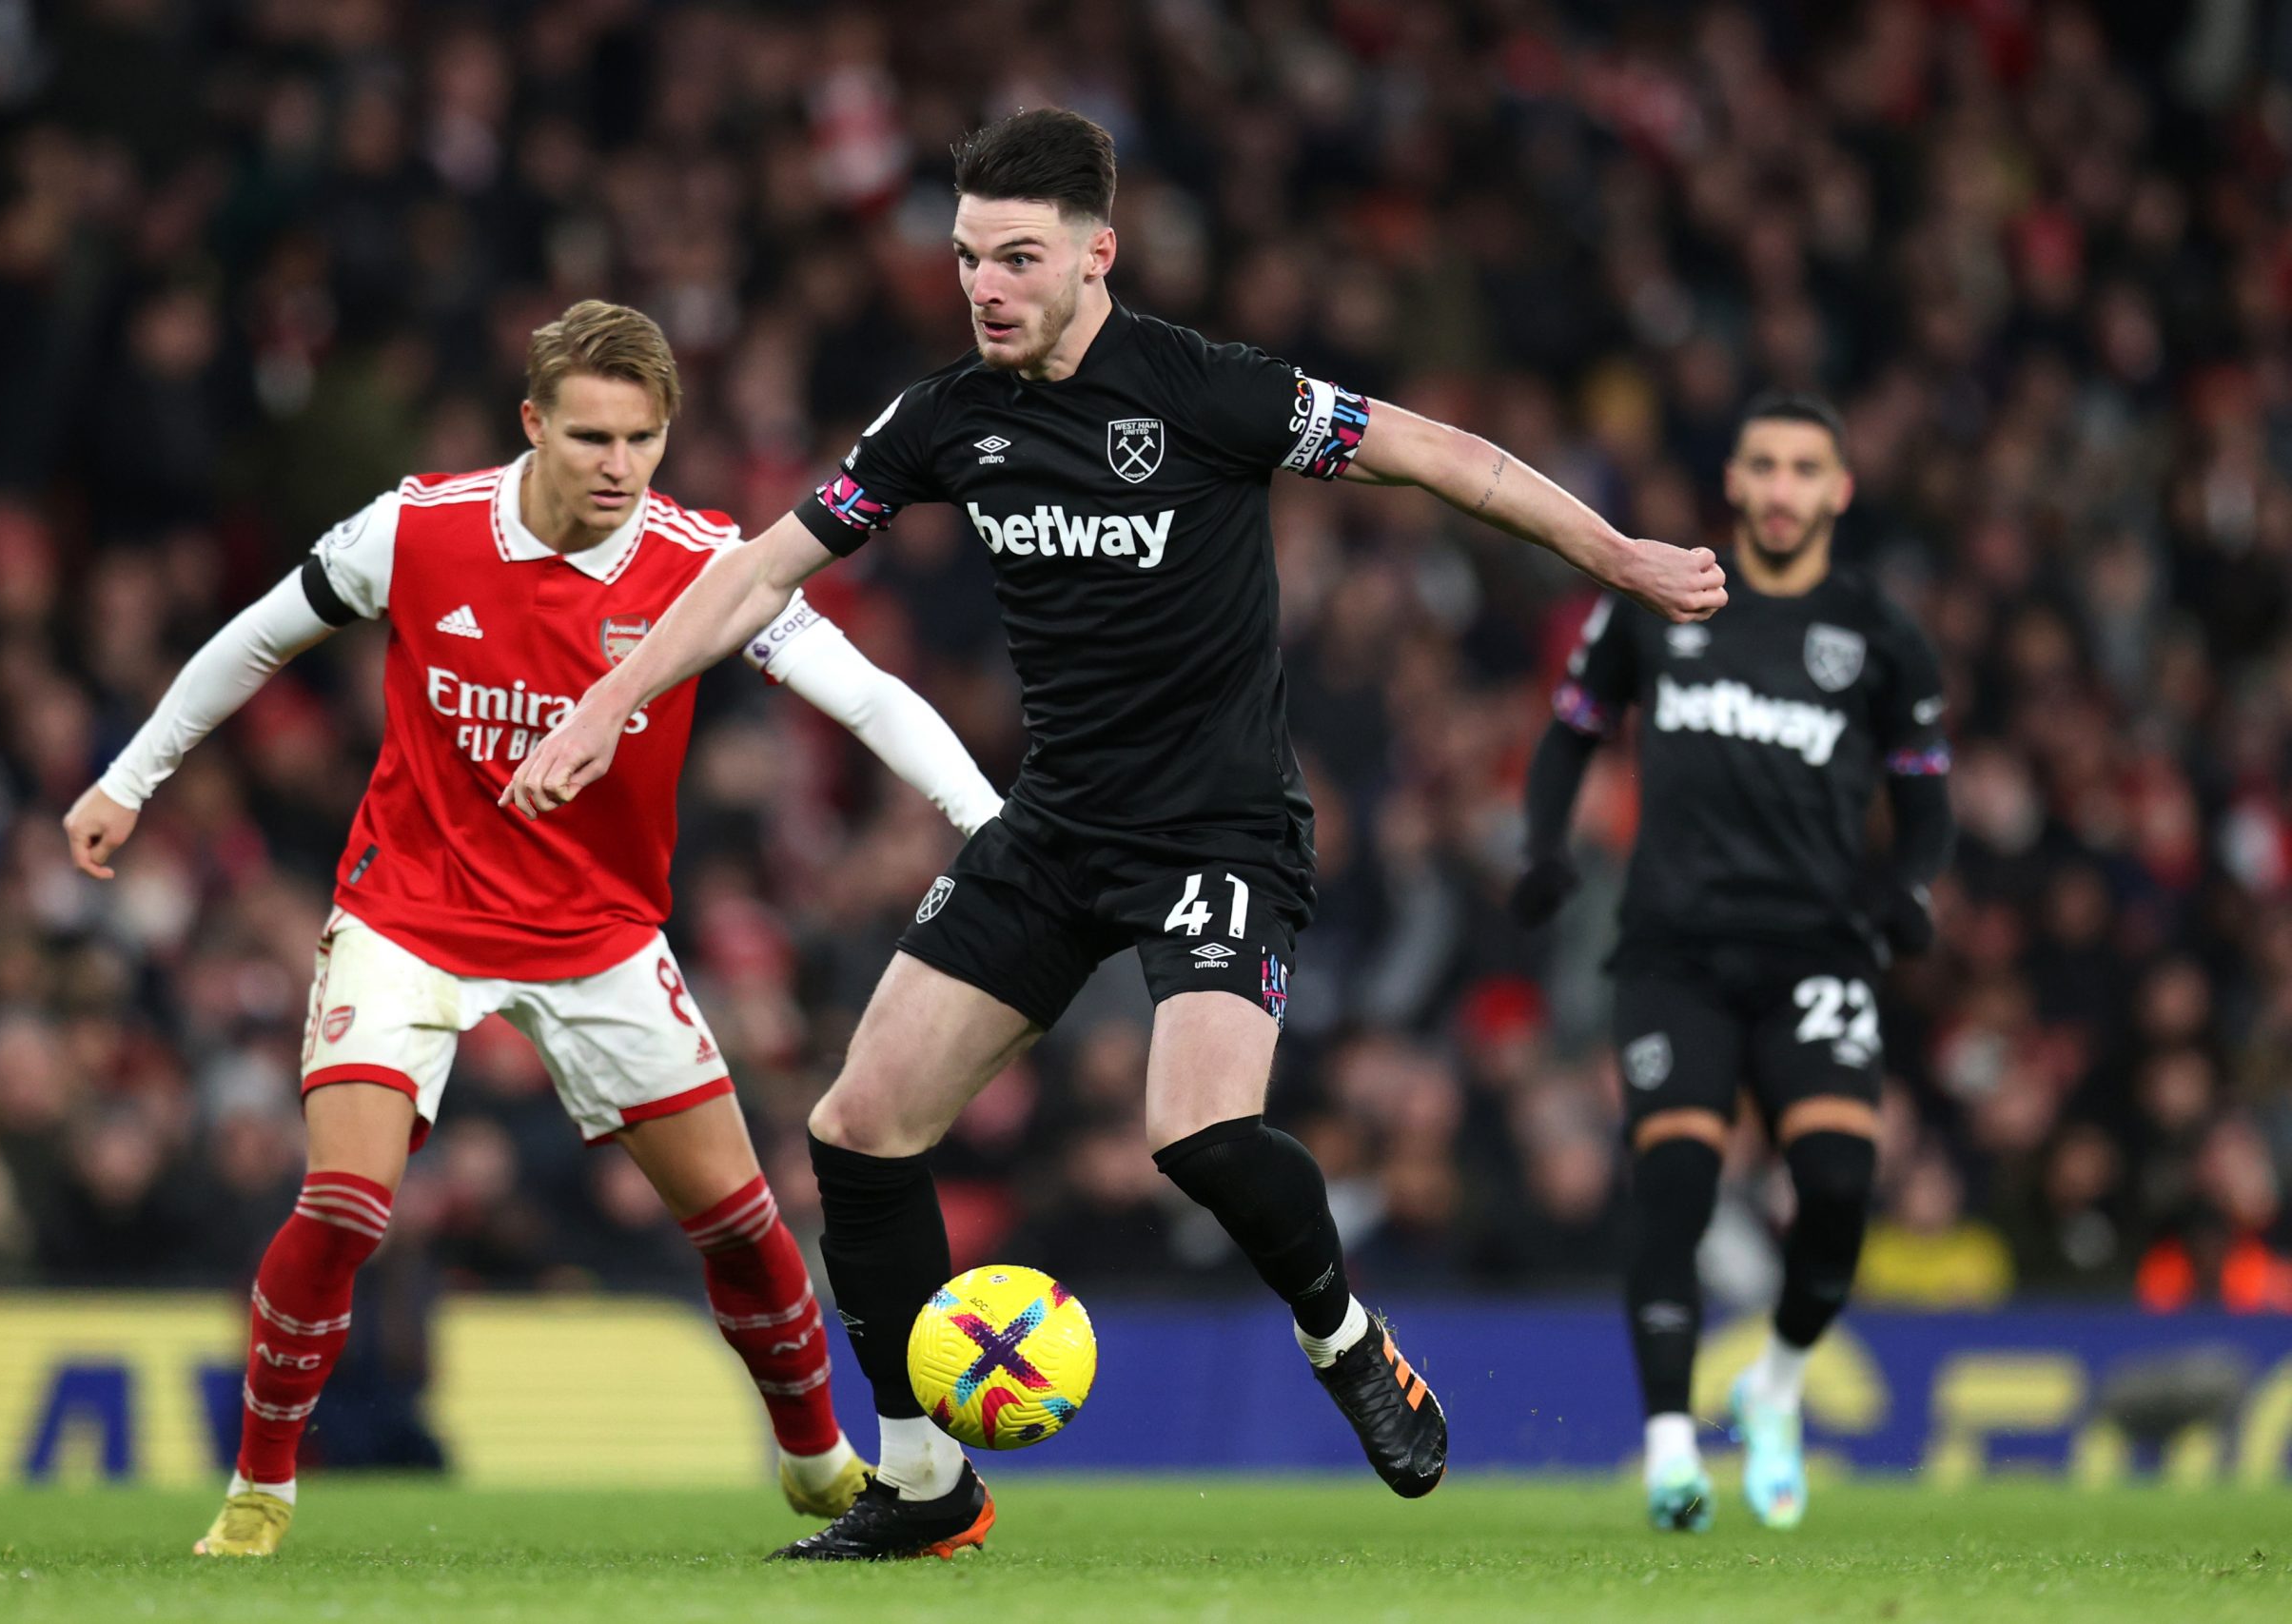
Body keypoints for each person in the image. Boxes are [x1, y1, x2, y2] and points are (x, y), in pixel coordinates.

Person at [504, 109, 1725, 1561]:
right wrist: (611, 699)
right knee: (858, 1125)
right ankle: (924, 1480)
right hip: (1060, 825)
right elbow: (760, 565)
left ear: (1099, 256)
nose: (986, 286)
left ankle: (1344, 1337)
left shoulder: (1206, 388)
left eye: (1018, 257)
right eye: (966, 257)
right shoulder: (943, 416)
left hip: (1218, 828)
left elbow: (1440, 454)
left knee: (1197, 1129)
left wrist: (1622, 557)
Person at [62, 300, 1003, 1556]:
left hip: (600, 936)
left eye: (643, 438)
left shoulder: (701, 560)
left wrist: (986, 816)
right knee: (345, 1202)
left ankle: (816, 1455)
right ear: (532, 424)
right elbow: (259, 635)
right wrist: (132, 776)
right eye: (591, 435)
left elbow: (867, 693)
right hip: (409, 912)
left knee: (739, 1221)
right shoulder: (419, 526)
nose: (618, 466)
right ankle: (262, 1486)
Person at [1510, 391, 1954, 1532]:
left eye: (1805, 468)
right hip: (1675, 952)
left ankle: (1776, 1383)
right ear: (1737, 482)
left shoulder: (1879, 636)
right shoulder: (1662, 597)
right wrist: (1544, 849)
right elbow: (1571, 730)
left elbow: (1925, 799)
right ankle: (1667, 1445)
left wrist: (1905, 889)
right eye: (1762, 465)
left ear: (1837, 490)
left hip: (1816, 950)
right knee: (1675, 1188)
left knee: (1841, 1190)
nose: (1780, 487)